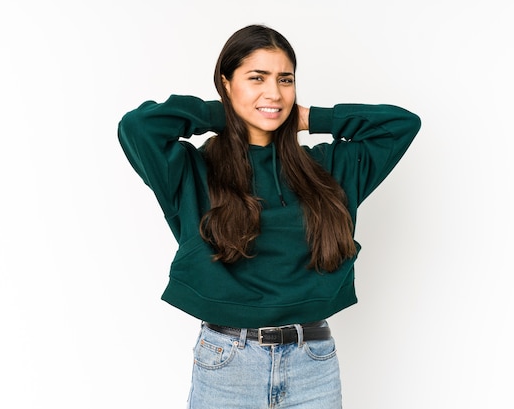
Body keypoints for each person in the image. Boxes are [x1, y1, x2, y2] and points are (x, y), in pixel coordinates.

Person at [118, 24, 420, 409]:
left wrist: (309, 118)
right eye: (256, 78)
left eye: (285, 79)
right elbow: (137, 126)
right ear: (226, 83)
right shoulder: (193, 172)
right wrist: (227, 114)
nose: (274, 93)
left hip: (313, 363)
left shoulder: (328, 169)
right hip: (227, 363)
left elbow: (401, 124)